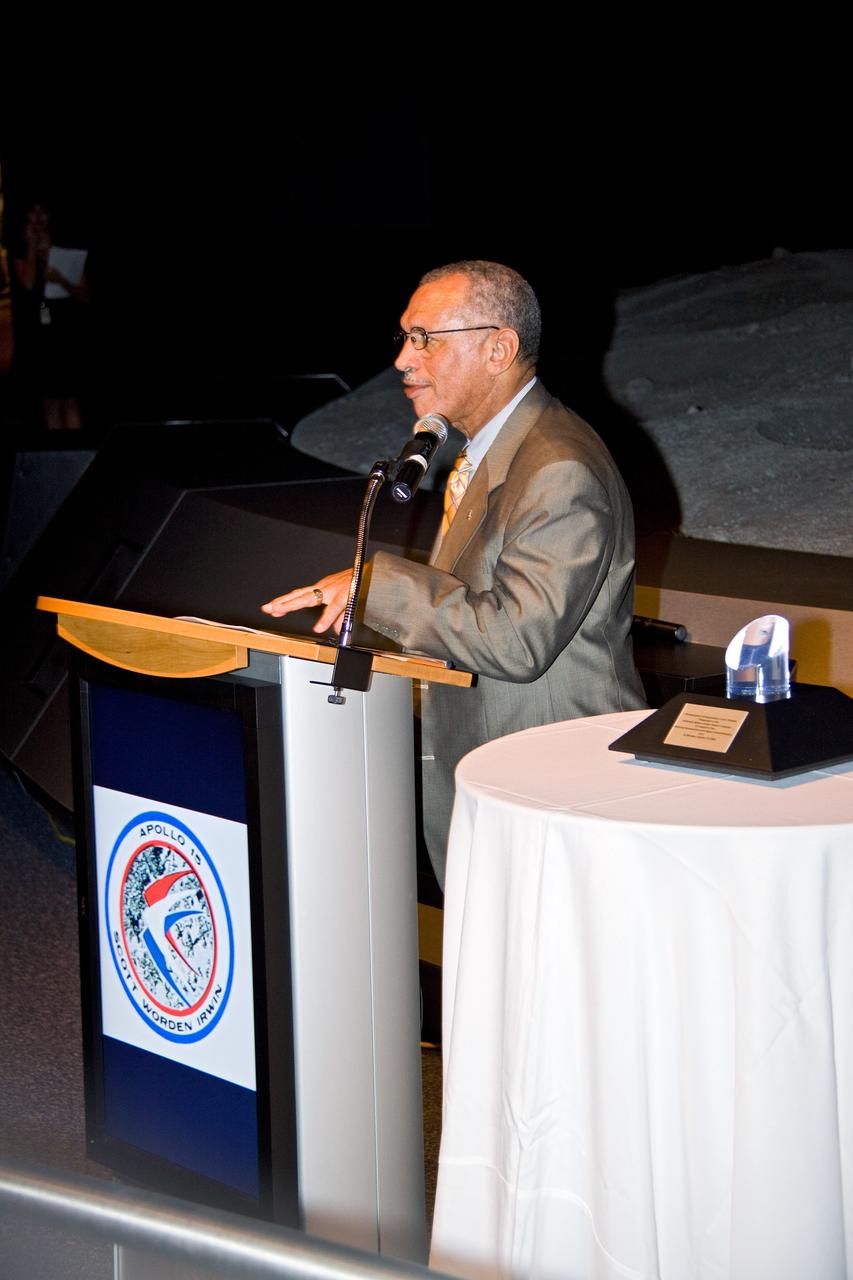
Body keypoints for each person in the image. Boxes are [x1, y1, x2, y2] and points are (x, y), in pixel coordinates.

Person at [262, 260, 647, 886]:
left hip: (553, 780)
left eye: (425, 340)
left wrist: (381, 588)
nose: (403, 362)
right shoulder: (491, 451)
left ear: (499, 348)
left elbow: (517, 640)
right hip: (502, 771)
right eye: (404, 338)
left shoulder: (558, 468)